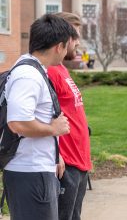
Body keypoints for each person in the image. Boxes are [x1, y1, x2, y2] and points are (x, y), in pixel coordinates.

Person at [4, 14, 77, 220]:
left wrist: (55, 154)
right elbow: (17, 122)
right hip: (30, 173)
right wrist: (54, 129)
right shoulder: (29, 75)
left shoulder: (34, 70)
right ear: (59, 46)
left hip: (35, 170)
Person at [48, 12, 92, 220]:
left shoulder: (62, 69)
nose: (77, 42)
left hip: (80, 161)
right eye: (74, 36)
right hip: (66, 164)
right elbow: (43, 115)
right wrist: (57, 154)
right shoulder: (50, 71)